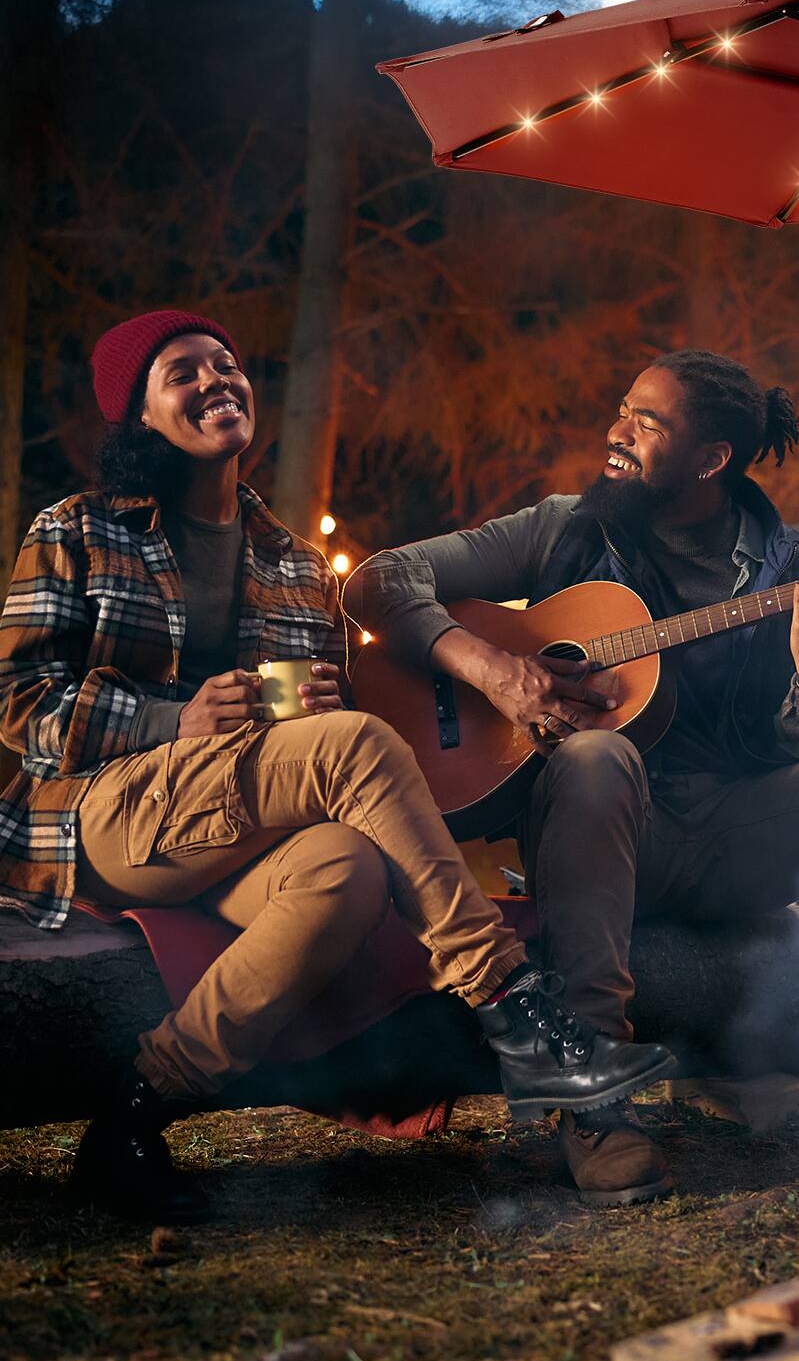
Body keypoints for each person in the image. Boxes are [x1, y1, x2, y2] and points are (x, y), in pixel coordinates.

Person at [0, 310, 673, 1223]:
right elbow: (20, 703)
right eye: (181, 374)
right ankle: (512, 1001)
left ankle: (134, 1112)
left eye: (225, 363)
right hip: (110, 814)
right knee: (349, 754)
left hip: (247, 824)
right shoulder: (76, 528)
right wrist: (175, 718)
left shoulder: (296, 562)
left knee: (348, 868)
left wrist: (328, 717)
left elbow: (340, 747)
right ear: (141, 418)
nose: (214, 381)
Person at [345, 350, 799, 1207]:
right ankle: (592, 1099)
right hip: (602, 839)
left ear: (710, 460)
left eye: (646, 422)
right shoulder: (566, 529)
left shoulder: (798, 572)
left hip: (732, 839)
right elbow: (381, 580)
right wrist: (489, 668)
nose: (615, 433)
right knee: (599, 753)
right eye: (622, 410)